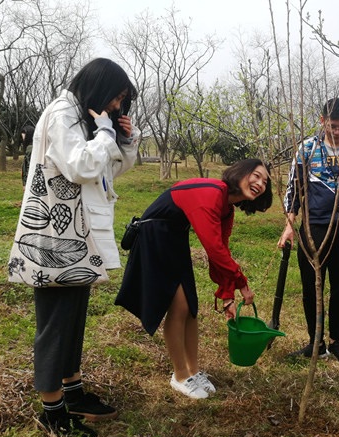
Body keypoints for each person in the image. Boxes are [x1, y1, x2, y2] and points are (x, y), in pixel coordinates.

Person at [14, 58, 140, 437]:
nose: (117, 107)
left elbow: (106, 172)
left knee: (72, 319)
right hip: (55, 239)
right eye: (116, 97)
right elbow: (80, 167)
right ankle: (51, 412)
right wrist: (103, 132)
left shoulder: (80, 117)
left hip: (77, 236)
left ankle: (73, 392)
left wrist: (124, 140)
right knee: (55, 325)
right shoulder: (62, 113)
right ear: (99, 86)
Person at [115, 159, 273, 399]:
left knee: (191, 308)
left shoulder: (226, 208)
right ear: (240, 172)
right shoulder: (212, 193)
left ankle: (194, 371)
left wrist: (228, 294)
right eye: (256, 175)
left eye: (265, 181)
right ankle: (180, 376)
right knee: (179, 306)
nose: (260, 183)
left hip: (174, 239)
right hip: (154, 236)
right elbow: (213, 248)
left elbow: (222, 249)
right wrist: (242, 283)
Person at [279, 98, 339, 365]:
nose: (337, 131)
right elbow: (294, 190)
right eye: (333, 125)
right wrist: (290, 226)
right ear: (323, 121)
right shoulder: (308, 149)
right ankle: (315, 342)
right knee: (312, 288)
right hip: (314, 230)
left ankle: (335, 341)